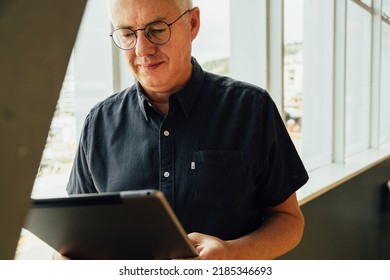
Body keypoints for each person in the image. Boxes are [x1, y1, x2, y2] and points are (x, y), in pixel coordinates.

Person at [58, 0, 309, 260]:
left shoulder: (251, 108)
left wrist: (231, 254)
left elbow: (289, 221)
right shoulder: (97, 124)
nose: (142, 50)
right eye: (127, 34)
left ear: (192, 24)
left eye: (156, 30)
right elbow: (77, 236)